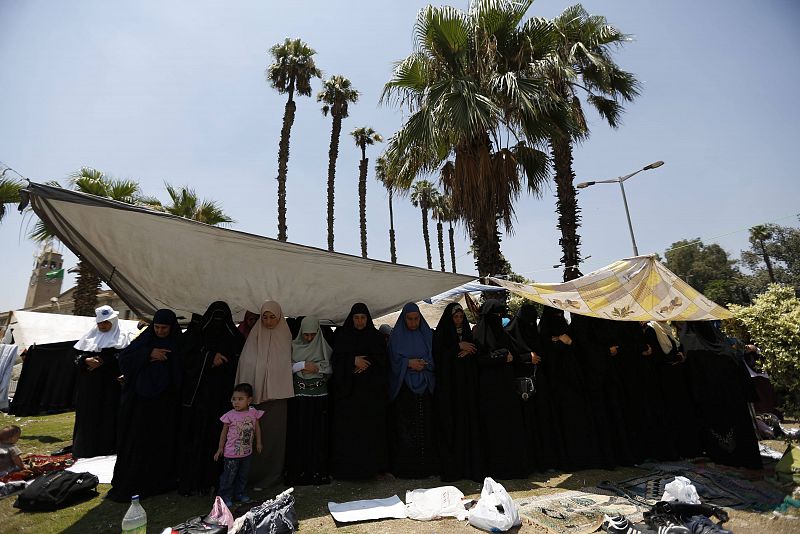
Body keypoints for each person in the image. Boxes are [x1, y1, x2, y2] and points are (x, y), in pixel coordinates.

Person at [108, 309, 184, 502]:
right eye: (157, 327)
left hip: (165, 405)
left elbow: (182, 368)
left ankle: (159, 482)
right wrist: (149, 354)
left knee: (160, 443)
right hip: (140, 404)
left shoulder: (178, 343)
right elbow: (124, 359)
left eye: (164, 328)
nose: (160, 331)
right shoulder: (145, 340)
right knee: (137, 442)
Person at [178, 301, 245, 496]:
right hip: (199, 401)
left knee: (220, 440)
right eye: (213, 318)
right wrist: (209, 358)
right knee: (196, 440)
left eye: (221, 319)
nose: (217, 323)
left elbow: (240, 361)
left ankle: (216, 481)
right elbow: (186, 359)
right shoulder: (197, 336)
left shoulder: (234, 338)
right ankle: (194, 482)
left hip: (223, 401)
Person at [679, 321, 762, 469]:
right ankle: (745, 457)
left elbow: (692, 375)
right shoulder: (722, 343)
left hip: (709, 398)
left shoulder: (690, 343)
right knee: (738, 429)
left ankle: (722, 456)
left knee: (718, 430)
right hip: (733, 396)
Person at [234, 300, 293, 488]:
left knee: (273, 439)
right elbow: (245, 363)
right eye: (265, 317)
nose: (268, 321)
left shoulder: (285, 337)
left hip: (276, 400)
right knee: (251, 439)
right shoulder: (254, 337)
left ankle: (272, 477)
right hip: (255, 398)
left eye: (272, 317)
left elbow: (288, 364)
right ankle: (249, 478)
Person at [538, 306, 604, 470]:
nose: (559, 318)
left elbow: (578, 351)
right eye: (555, 315)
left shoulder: (567, 334)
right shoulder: (544, 337)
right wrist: (560, 343)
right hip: (558, 389)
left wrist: (568, 342)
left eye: (561, 314)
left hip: (573, 386)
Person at [329, 303, 389, 480]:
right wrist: (352, 361)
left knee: (370, 434)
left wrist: (367, 364)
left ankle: (372, 469)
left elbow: (383, 361)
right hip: (349, 396)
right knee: (349, 434)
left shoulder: (376, 337)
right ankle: (348, 470)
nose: (360, 321)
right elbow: (336, 361)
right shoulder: (342, 336)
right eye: (356, 318)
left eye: (363, 318)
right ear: (351, 318)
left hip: (370, 396)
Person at [473, 300, 529, 479]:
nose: (498, 319)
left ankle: (513, 467)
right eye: (495, 316)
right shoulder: (479, 336)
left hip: (506, 389)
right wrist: (501, 359)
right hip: (490, 392)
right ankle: (496, 468)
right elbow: (479, 360)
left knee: (510, 429)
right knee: (494, 431)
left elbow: (517, 355)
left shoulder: (503, 335)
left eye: (500, 315)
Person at [505, 304, 562, 472]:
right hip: (522, 390)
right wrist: (527, 357)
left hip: (539, 385)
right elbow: (510, 356)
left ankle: (545, 460)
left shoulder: (534, 333)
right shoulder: (510, 333)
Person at [432, 302, 483, 482]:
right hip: (449, 392)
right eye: (455, 317)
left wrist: (468, 351)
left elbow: (476, 353)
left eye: (461, 317)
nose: (459, 320)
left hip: (466, 391)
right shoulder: (442, 334)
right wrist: (457, 347)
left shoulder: (468, 333)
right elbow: (438, 356)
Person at [72, 305, 130, 458]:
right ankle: (85, 448)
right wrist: (86, 360)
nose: (103, 326)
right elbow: (75, 357)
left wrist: (104, 361)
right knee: (87, 416)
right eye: (100, 323)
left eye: (106, 323)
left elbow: (124, 359)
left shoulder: (122, 337)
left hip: (109, 387)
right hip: (89, 387)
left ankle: (106, 447)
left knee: (107, 416)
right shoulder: (89, 337)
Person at [387, 302, 437, 479]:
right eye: (410, 319)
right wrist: (407, 363)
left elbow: (435, 356)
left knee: (426, 426)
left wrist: (425, 364)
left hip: (425, 386)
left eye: (416, 319)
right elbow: (392, 360)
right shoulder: (396, 336)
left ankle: (427, 466)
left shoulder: (427, 334)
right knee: (406, 428)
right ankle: (407, 468)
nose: (413, 322)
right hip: (405, 388)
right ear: (404, 318)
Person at [285, 316, 333, 485]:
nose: (309, 338)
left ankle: (318, 472)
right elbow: (286, 366)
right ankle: (300, 472)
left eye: (313, 335)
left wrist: (318, 367)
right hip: (300, 395)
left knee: (318, 433)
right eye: (306, 335)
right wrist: (303, 365)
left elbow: (331, 366)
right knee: (301, 432)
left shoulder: (323, 346)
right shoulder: (293, 346)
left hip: (320, 395)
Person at [214, 383, 263, 508]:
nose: (236, 402)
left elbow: (257, 428)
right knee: (228, 476)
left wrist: (258, 442)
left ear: (249, 400)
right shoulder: (229, 415)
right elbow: (223, 433)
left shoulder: (253, 413)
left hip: (247, 453)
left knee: (243, 475)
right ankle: (225, 496)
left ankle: (239, 494)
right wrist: (220, 448)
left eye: (240, 399)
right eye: (234, 399)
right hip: (231, 454)